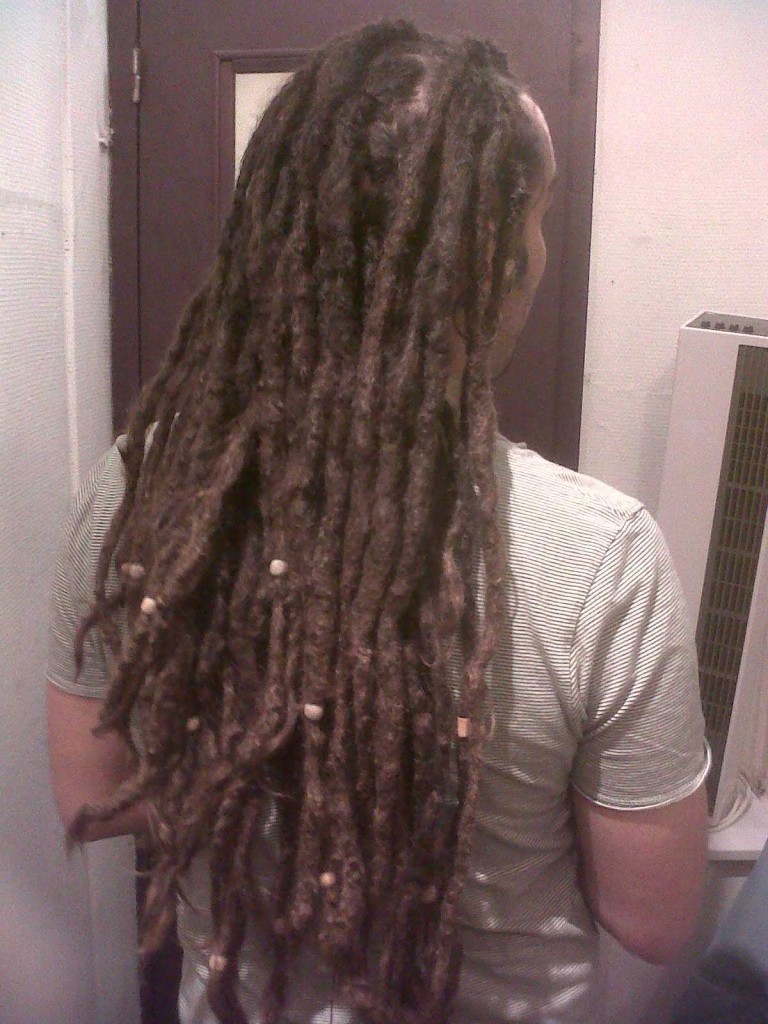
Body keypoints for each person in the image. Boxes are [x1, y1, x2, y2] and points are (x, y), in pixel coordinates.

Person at [46, 21, 710, 1024]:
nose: (542, 249)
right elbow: (653, 916)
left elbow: (88, 790)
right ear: (492, 264)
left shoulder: (140, 489)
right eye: (536, 216)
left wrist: (270, 766)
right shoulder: (603, 557)